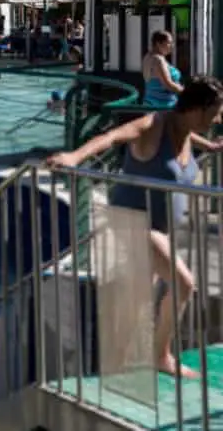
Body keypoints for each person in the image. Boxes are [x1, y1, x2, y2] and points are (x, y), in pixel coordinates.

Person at [47, 77, 223, 378]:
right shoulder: (154, 125)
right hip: (133, 222)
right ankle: (161, 356)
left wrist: (212, 146)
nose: (218, 119)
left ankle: (115, 366)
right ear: (197, 109)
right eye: (215, 112)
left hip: (160, 228)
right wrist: (73, 157)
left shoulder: (187, 132)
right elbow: (112, 137)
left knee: (141, 299)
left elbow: (191, 141)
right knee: (183, 284)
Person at [143, 30, 183, 108]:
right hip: (163, 106)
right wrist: (187, 92)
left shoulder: (147, 57)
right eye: (169, 43)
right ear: (158, 44)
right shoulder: (158, 60)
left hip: (150, 102)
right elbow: (168, 84)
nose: (172, 46)